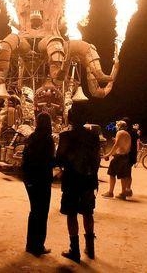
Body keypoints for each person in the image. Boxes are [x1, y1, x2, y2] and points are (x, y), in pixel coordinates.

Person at [55, 102, 100, 263]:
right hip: (88, 179)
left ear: (70, 118)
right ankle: (90, 248)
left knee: (72, 213)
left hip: (72, 180)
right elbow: (97, 158)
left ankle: (75, 250)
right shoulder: (93, 135)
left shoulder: (65, 136)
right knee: (88, 212)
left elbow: (59, 158)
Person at [22, 112, 55, 257]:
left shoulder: (32, 137)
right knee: (42, 212)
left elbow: (25, 158)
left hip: (30, 178)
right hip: (42, 179)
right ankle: (38, 245)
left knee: (34, 211)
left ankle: (30, 244)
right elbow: (50, 160)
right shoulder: (48, 139)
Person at [101, 119, 132, 199]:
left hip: (119, 157)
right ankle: (123, 193)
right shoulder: (127, 134)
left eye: (117, 125)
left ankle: (110, 192)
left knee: (112, 174)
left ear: (119, 126)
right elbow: (123, 145)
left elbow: (116, 145)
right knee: (123, 176)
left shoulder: (120, 133)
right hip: (125, 156)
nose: (116, 127)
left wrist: (108, 154)